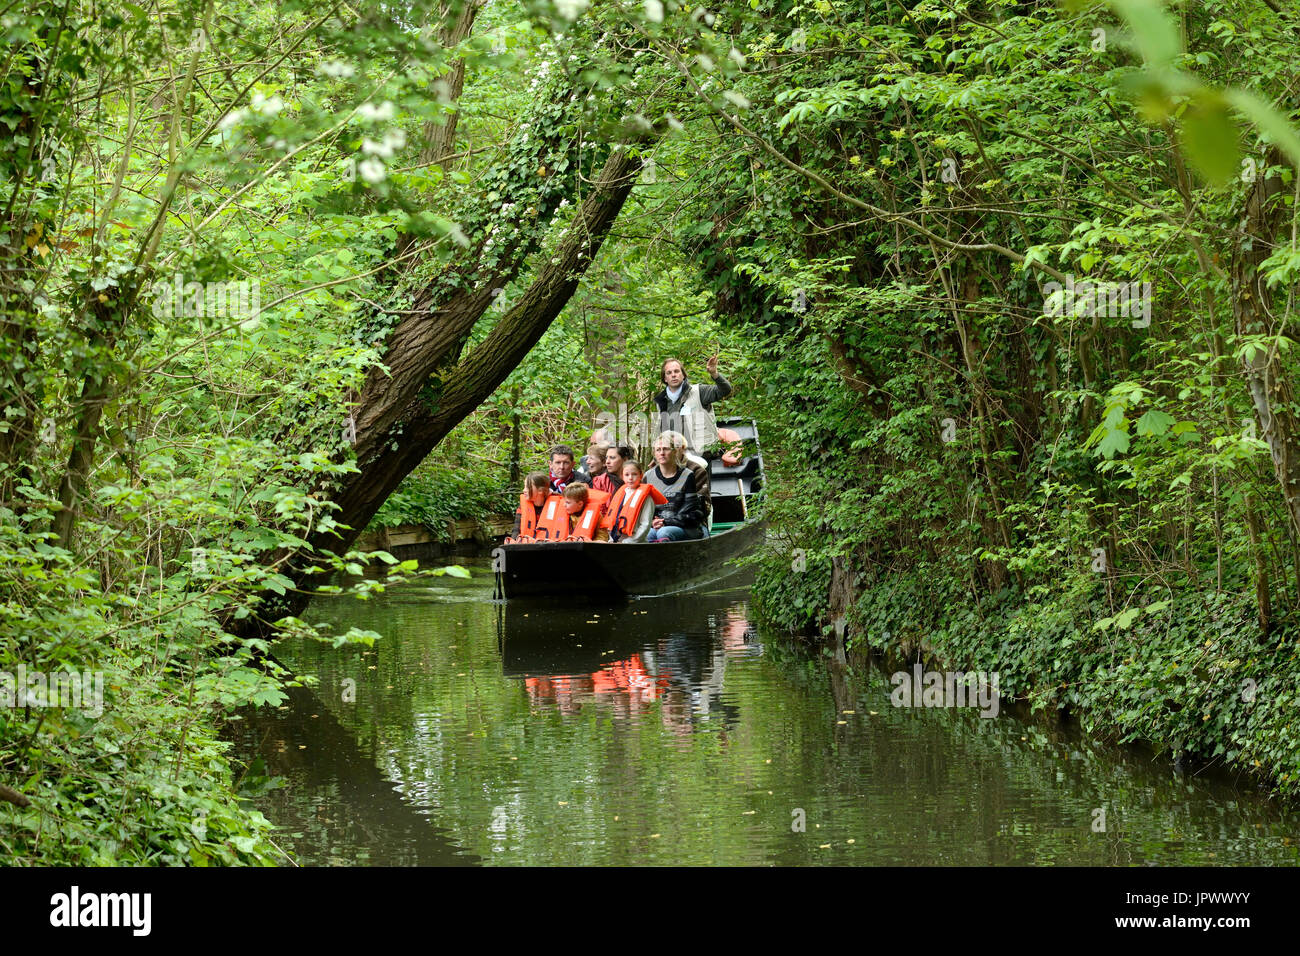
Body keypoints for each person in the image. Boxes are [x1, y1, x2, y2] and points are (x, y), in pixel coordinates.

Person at [654, 353, 733, 460]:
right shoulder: (661, 402)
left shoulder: (699, 392)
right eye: (669, 373)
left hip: (703, 455)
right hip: (677, 458)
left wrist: (714, 373)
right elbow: (662, 435)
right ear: (665, 379)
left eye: (677, 371)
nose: (673, 375)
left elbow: (725, 390)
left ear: (683, 375)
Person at [644, 431, 705, 542]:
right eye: (658, 450)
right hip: (656, 525)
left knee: (664, 532)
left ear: (674, 451)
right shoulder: (648, 476)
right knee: (647, 535)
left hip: (682, 525)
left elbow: (690, 510)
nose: (662, 453)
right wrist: (652, 521)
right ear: (654, 453)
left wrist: (666, 522)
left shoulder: (687, 475)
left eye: (666, 449)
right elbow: (644, 508)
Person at [604, 461, 667, 543]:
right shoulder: (620, 494)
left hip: (636, 543)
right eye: (627, 475)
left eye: (634, 474)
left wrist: (630, 541)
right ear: (622, 476)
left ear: (641, 475)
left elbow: (645, 524)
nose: (630, 477)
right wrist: (611, 539)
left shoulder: (647, 498)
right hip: (616, 541)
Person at [663, 429, 711, 534]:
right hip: (659, 523)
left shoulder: (696, 471)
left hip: (691, 525)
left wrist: (667, 521)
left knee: (665, 533)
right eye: (666, 448)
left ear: (683, 449)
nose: (670, 452)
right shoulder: (652, 472)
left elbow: (701, 508)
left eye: (674, 448)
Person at [507, 472, 551, 541]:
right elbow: (516, 530)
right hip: (527, 546)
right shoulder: (522, 507)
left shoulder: (555, 507)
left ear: (540, 490)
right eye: (524, 487)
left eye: (527, 487)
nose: (524, 490)